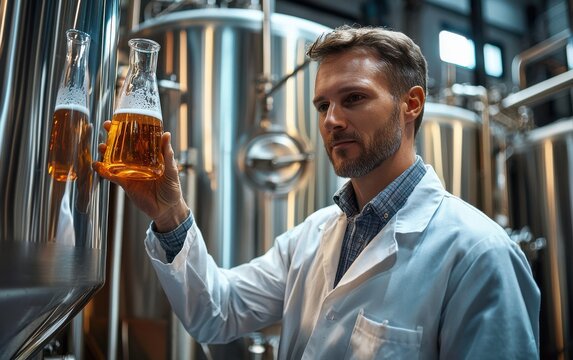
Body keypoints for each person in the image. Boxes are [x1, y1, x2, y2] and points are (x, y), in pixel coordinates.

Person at [94, 25, 540, 359]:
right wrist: (169, 214)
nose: (331, 120)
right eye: (323, 105)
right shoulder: (313, 236)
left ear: (412, 104)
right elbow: (218, 311)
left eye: (354, 99)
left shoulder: (479, 254)